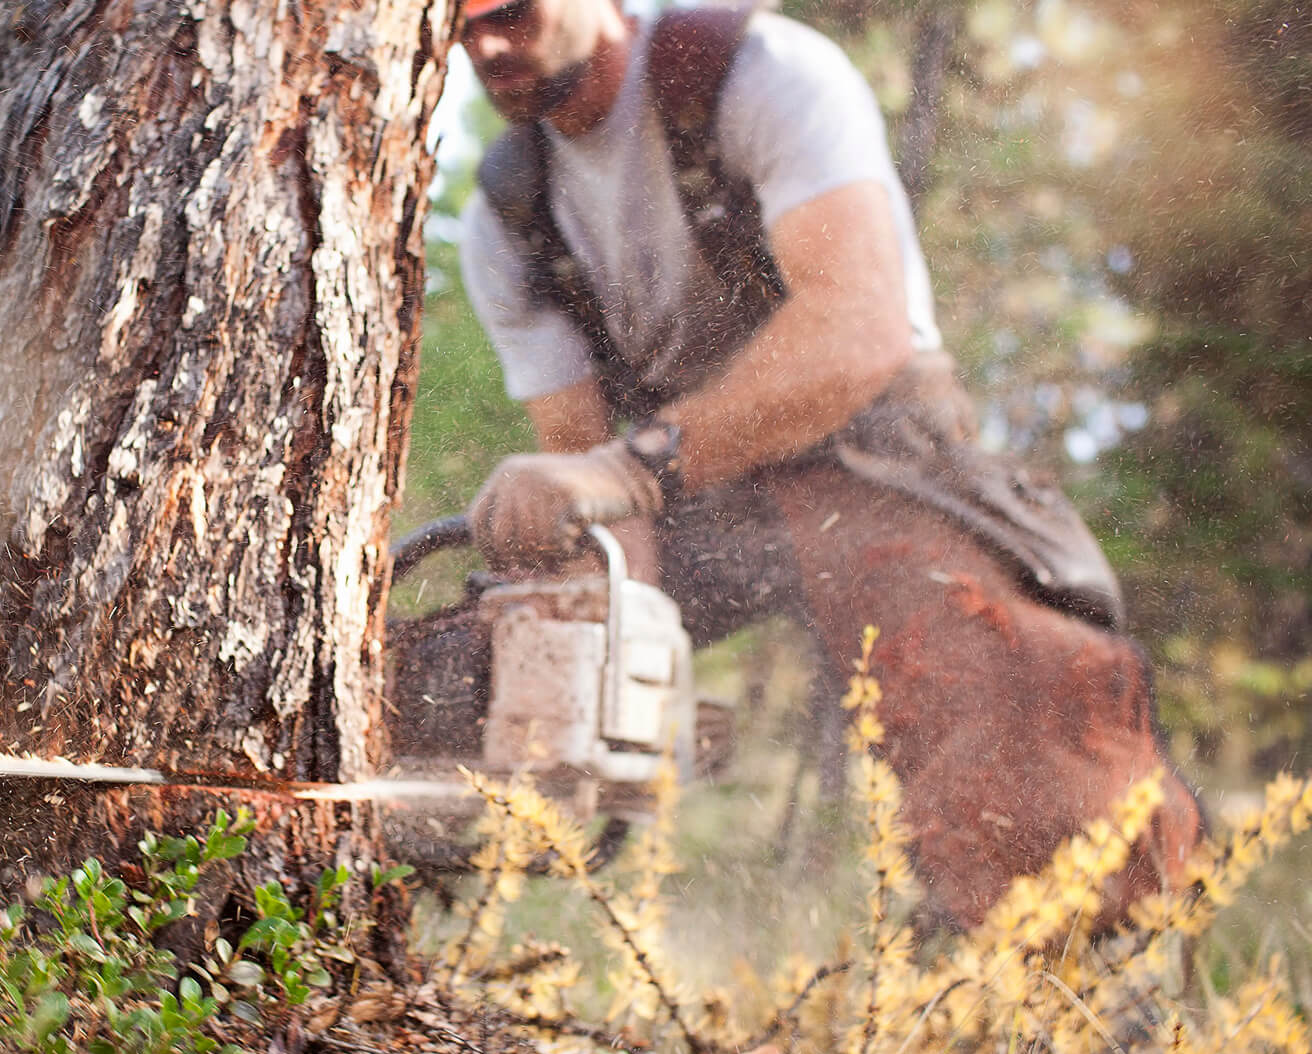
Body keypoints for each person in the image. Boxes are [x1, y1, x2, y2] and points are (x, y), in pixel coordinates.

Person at [454, 0, 1200, 927]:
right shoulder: (506, 221)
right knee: (496, 648)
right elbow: (587, 477)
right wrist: (618, 662)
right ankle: (496, 900)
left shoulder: (761, 73)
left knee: (996, 685)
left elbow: (859, 325)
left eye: (510, 14)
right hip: (693, 492)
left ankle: (1078, 982)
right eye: (458, 24)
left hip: (873, 446)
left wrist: (638, 466)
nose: (485, 43)